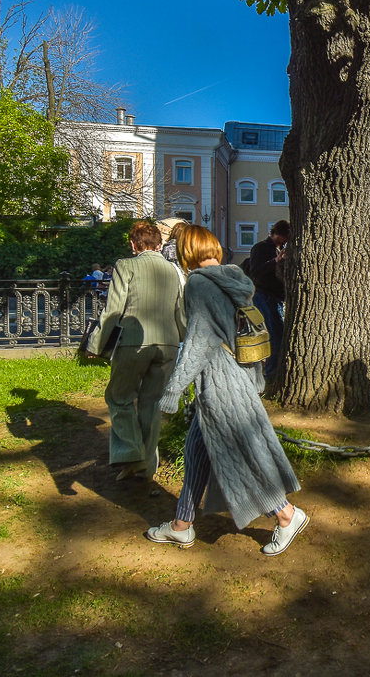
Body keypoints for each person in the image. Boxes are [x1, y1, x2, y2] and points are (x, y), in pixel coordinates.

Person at [146, 225, 308, 556]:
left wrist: (173, 390)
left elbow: (198, 341)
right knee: (195, 452)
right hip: (237, 378)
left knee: (242, 455)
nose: (172, 251)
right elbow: (250, 332)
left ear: (187, 251)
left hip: (219, 385)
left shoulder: (199, 285)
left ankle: (285, 514)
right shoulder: (233, 280)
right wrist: (257, 379)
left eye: (176, 247)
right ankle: (181, 525)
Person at [86, 220, 187, 481]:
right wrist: (186, 341)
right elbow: (180, 310)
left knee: (119, 398)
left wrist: (95, 344)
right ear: (159, 243)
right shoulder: (171, 269)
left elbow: (114, 309)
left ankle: (131, 454)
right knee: (151, 404)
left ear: (133, 244)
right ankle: (145, 465)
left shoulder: (125, 265)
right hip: (168, 344)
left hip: (134, 342)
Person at [248, 220, 290, 378]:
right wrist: (276, 261)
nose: (286, 241)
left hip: (276, 296)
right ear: (278, 234)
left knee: (277, 332)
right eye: (285, 237)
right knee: (273, 333)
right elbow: (256, 271)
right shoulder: (261, 248)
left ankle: (273, 369)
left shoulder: (278, 249)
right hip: (264, 295)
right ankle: (271, 372)